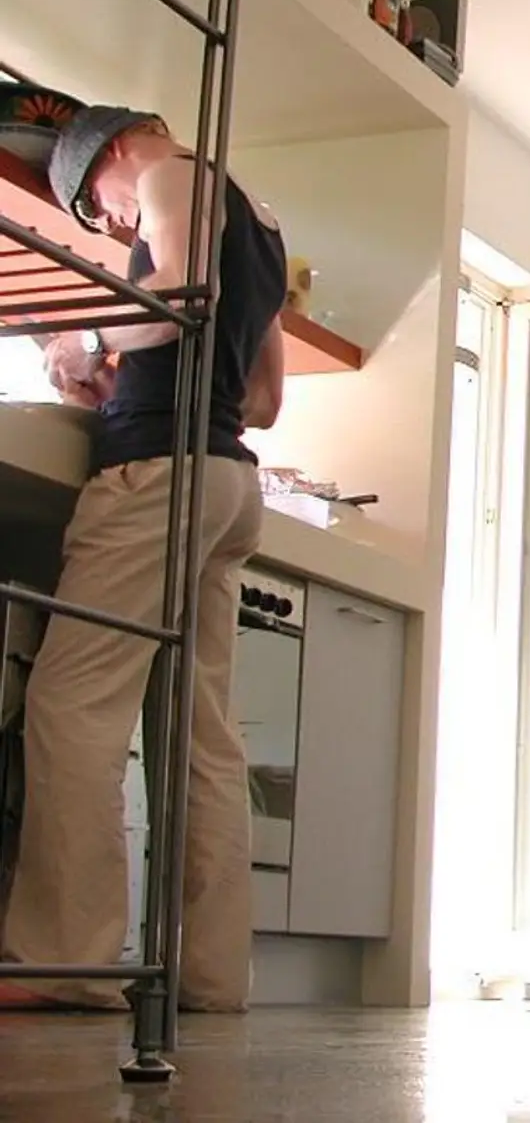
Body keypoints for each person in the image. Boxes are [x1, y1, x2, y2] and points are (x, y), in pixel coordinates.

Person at [0, 107, 286, 1012]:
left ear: (117, 147)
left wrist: (85, 339)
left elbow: (180, 296)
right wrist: (111, 377)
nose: (112, 224)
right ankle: (212, 977)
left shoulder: (173, 173)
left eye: (95, 204)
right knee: (201, 740)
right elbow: (263, 399)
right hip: (226, 480)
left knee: (72, 705)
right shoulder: (262, 225)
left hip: (156, 476)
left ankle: (68, 964)